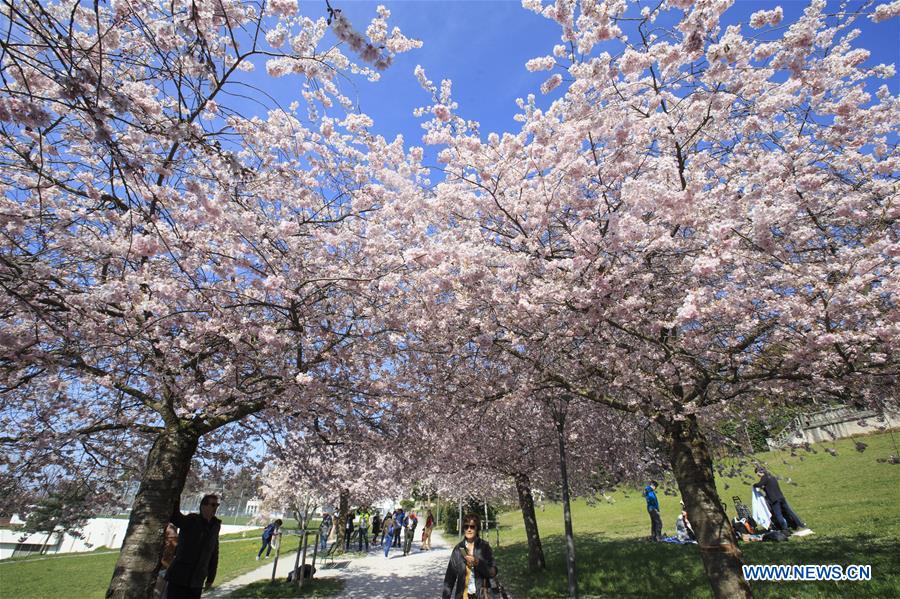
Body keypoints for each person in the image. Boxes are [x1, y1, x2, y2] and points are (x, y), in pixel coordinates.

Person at [166, 494, 221, 599]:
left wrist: (211, 577)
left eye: (217, 505)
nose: (215, 508)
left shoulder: (215, 526)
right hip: (179, 578)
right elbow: (176, 518)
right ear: (203, 506)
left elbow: (214, 552)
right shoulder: (192, 520)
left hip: (197, 581)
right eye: (213, 505)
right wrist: (176, 495)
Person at [442, 514, 495, 599]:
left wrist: (478, 563)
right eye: (466, 527)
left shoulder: (484, 547)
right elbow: (450, 577)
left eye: (472, 527)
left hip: (481, 595)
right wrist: (446, 596)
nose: (469, 529)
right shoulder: (459, 549)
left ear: (477, 528)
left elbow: (493, 572)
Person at [753, 467, 806, 531]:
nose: (757, 475)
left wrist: (754, 485)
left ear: (759, 472)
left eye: (757, 473)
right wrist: (764, 488)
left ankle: (785, 529)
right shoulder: (771, 476)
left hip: (774, 500)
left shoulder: (764, 477)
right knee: (790, 512)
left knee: (778, 515)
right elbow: (770, 487)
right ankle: (800, 524)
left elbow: (759, 484)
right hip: (781, 497)